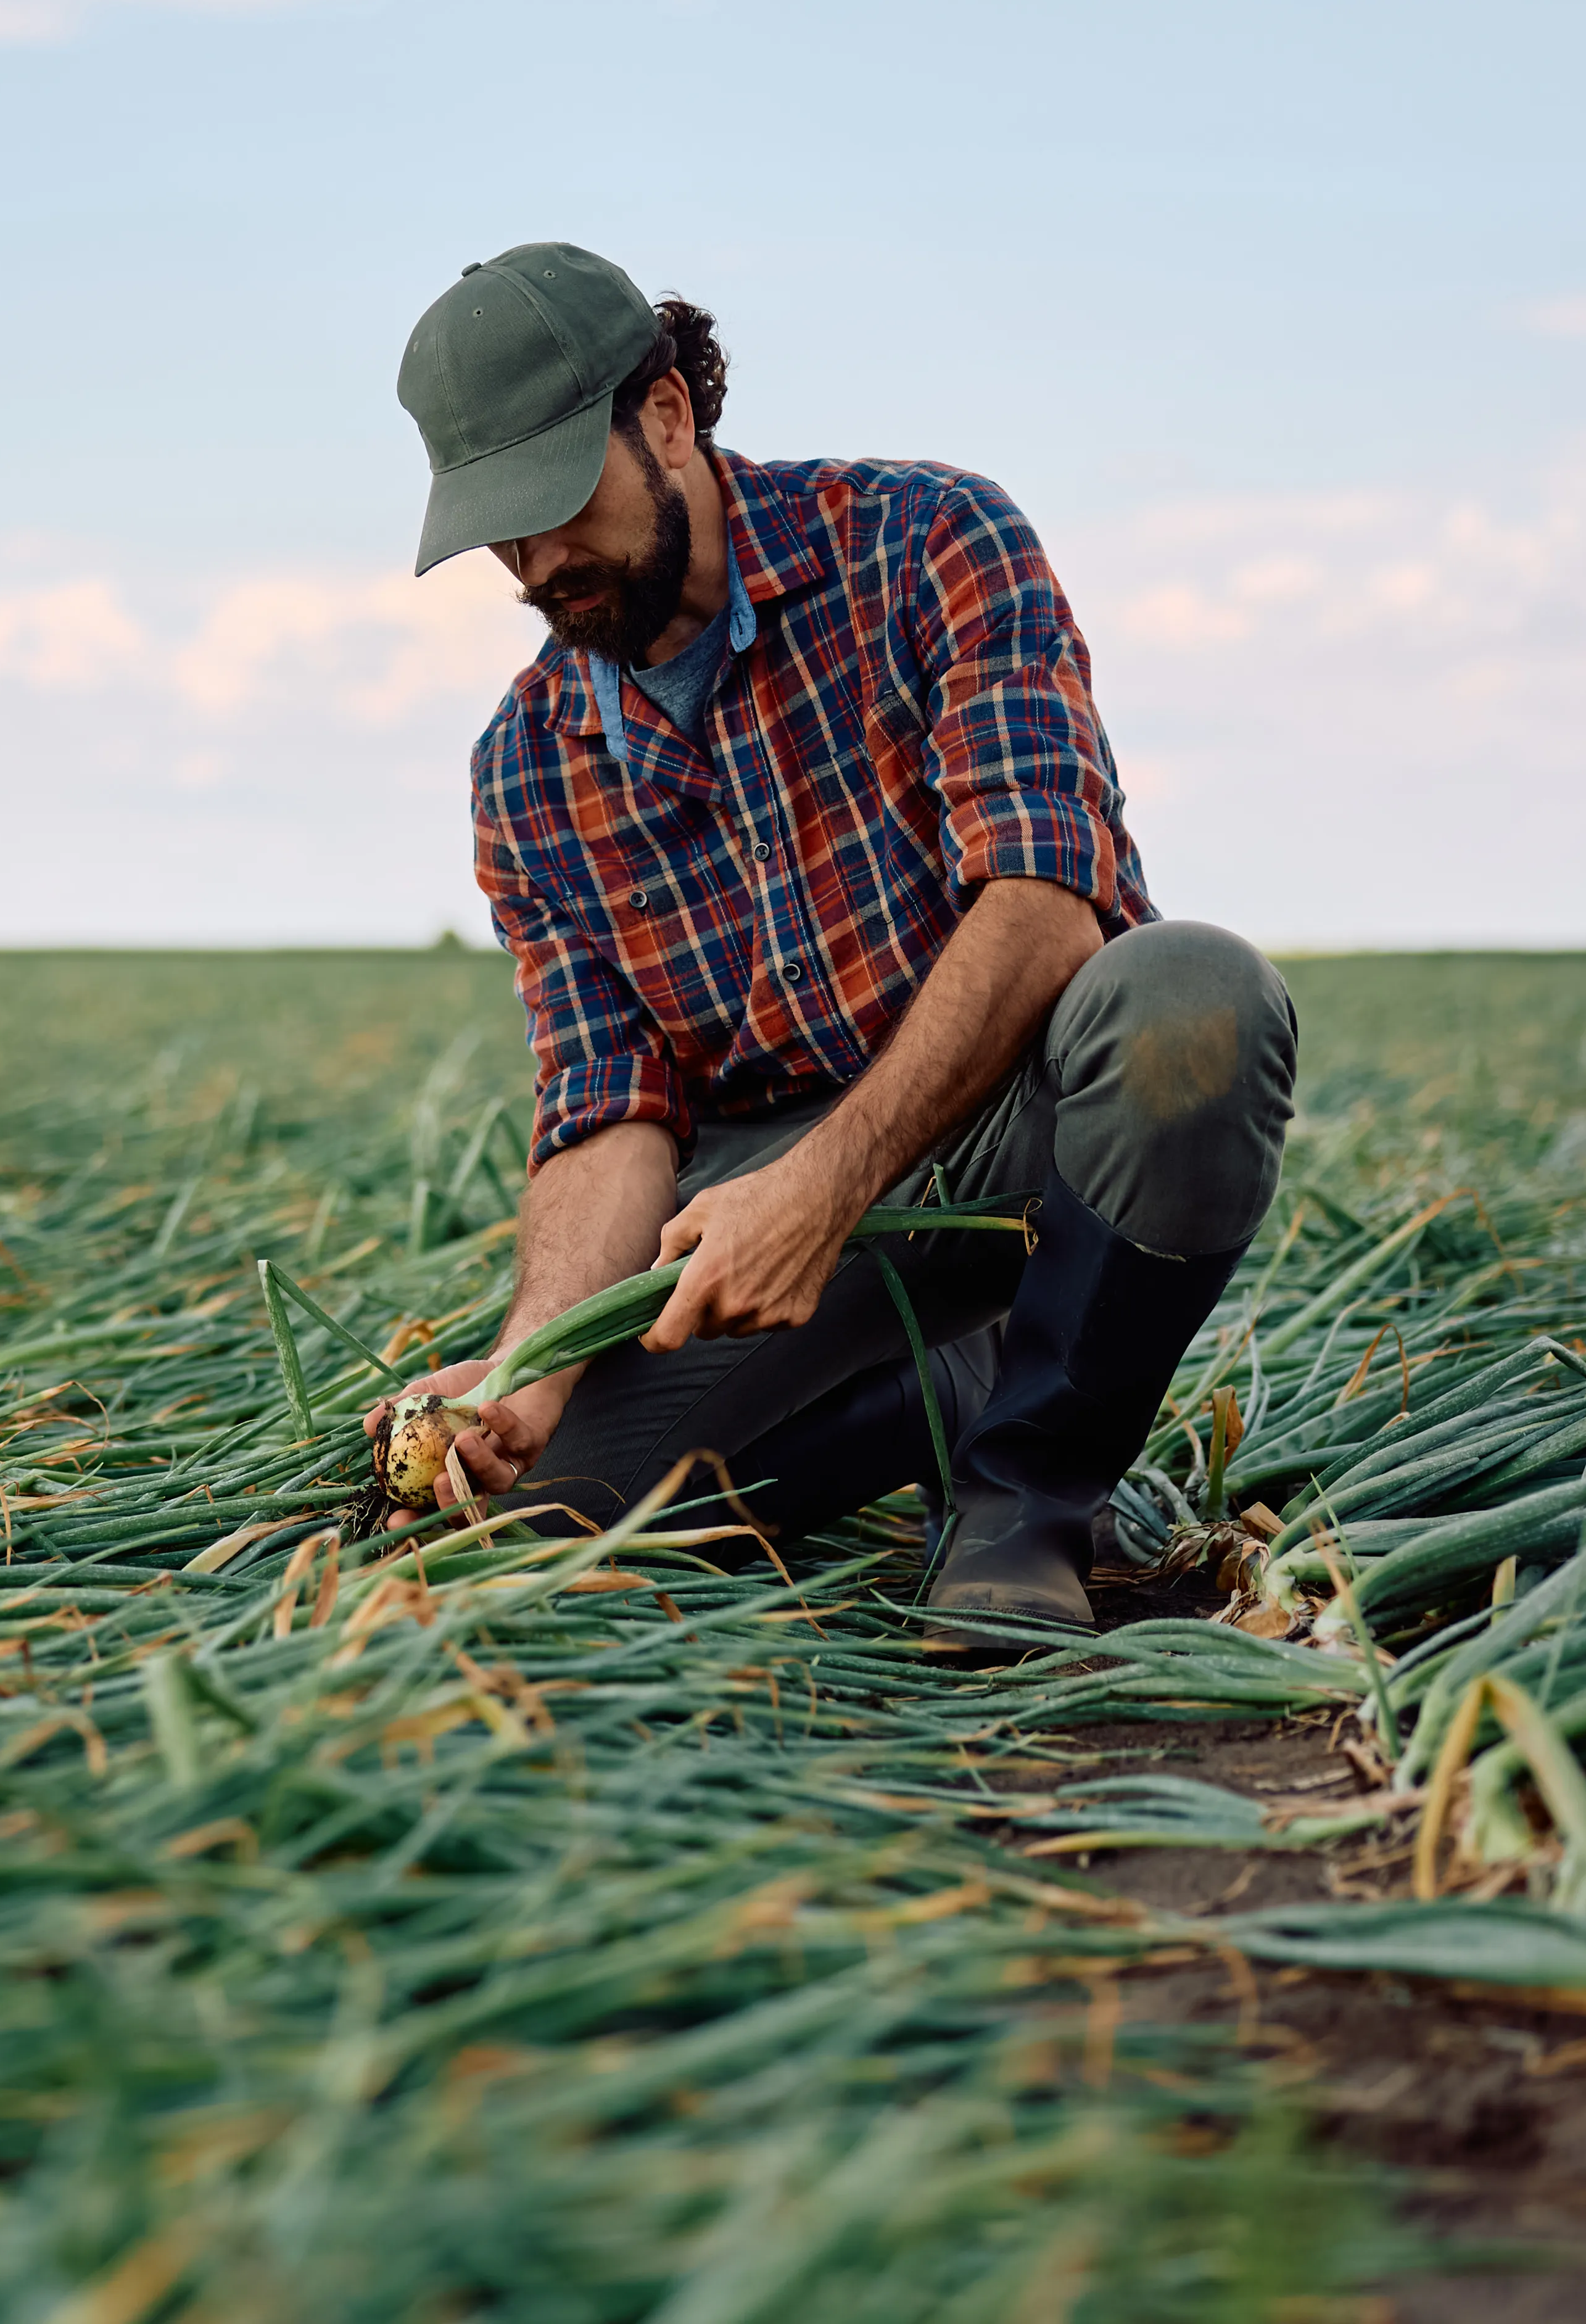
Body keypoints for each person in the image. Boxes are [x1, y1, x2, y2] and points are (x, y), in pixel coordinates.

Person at [379, 241, 1296, 1651]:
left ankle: (1026, 1495)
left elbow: (1048, 897)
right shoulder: (527, 766)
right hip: (764, 1194)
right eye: (499, 531)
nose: (537, 562)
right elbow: (606, 1110)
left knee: (1191, 1002)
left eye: (559, 501)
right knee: (542, 1524)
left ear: (670, 415)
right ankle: (974, 1378)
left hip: (1008, 1117)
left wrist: (831, 1179)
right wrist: (531, 1365)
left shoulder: (933, 542)